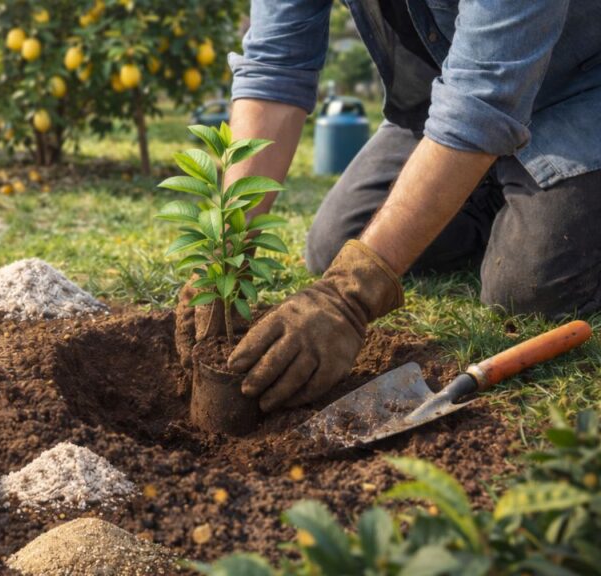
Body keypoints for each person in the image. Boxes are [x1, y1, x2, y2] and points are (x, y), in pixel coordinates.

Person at [178, 0, 601, 412]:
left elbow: (484, 99)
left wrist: (351, 293)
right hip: (445, 105)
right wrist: (227, 247)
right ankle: (488, 182)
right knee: (335, 244)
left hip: (575, 100)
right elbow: (274, 66)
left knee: (529, 289)